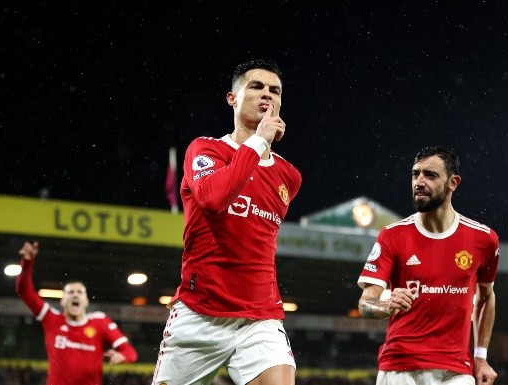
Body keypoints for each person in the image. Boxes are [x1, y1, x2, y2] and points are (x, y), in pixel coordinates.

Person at [151, 59, 302, 385]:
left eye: (275, 90)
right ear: (232, 99)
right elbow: (213, 200)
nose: (267, 95)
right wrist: (258, 141)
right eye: (256, 86)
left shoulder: (289, 176)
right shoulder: (205, 150)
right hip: (198, 314)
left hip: (259, 318)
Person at [357, 146, 499, 385]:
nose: (419, 182)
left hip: (456, 371)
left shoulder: (484, 240)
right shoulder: (392, 235)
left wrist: (481, 356)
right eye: (415, 174)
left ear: (453, 183)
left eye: (430, 175)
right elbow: (365, 304)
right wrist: (385, 305)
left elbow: (486, 297)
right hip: (401, 367)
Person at [16, 241, 138, 385]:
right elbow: (25, 291)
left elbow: (131, 352)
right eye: (70, 292)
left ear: (86, 301)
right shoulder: (51, 319)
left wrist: (123, 356)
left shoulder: (100, 321)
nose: (75, 295)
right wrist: (27, 263)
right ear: (62, 300)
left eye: (79, 292)